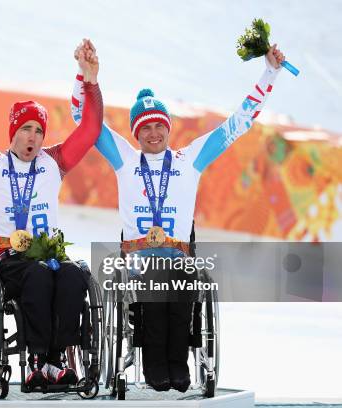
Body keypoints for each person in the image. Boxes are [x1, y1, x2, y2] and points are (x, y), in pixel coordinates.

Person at [71, 45, 286, 392]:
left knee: (183, 277)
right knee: (156, 282)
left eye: (159, 125)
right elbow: (83, 117)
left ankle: (178, 362)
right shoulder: (125, 158)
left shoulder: (189, 160)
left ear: (168, 128)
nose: (153, 133)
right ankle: (157, 363)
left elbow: (240, 123)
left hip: (180, 257)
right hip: (138, 258)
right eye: (145, 128)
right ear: (135, 133)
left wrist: (270, 72)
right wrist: (85, 75)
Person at [0, 39, 103, 389]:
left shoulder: (53, 162)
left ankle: (57, 359)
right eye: (26, 129)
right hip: (12, 259)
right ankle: (36, 360)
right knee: (37, 275)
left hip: (51, 254)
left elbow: (90, 130)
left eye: (39, 131)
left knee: (75, 275)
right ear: (13, 132)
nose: (33, 137)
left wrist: (90, 80)